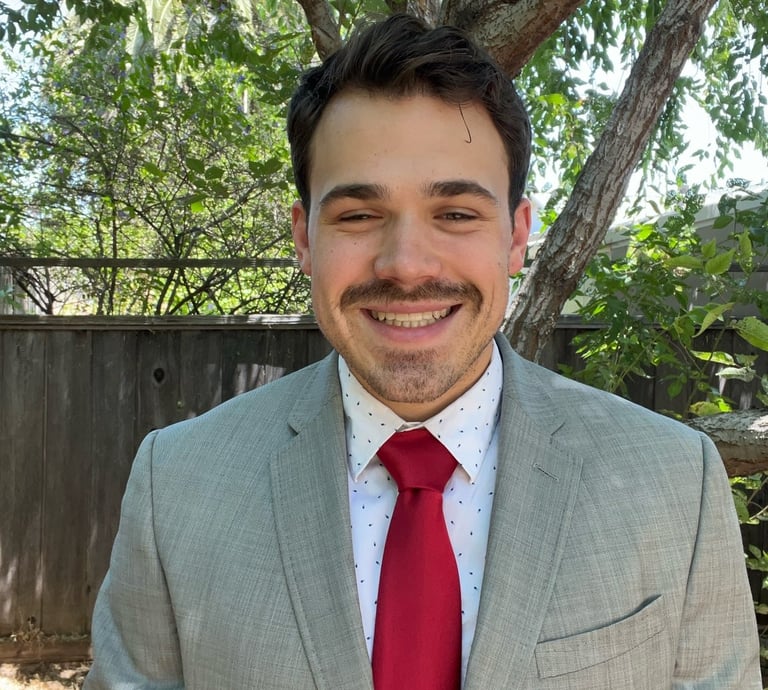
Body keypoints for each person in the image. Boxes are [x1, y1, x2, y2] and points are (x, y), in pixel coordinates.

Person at [85, 13, 761, 689]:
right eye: (358, 214)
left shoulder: (675, 482)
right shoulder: (176, 485)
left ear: (517, 235)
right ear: (304, 237)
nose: (406, 264)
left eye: (457, 213)